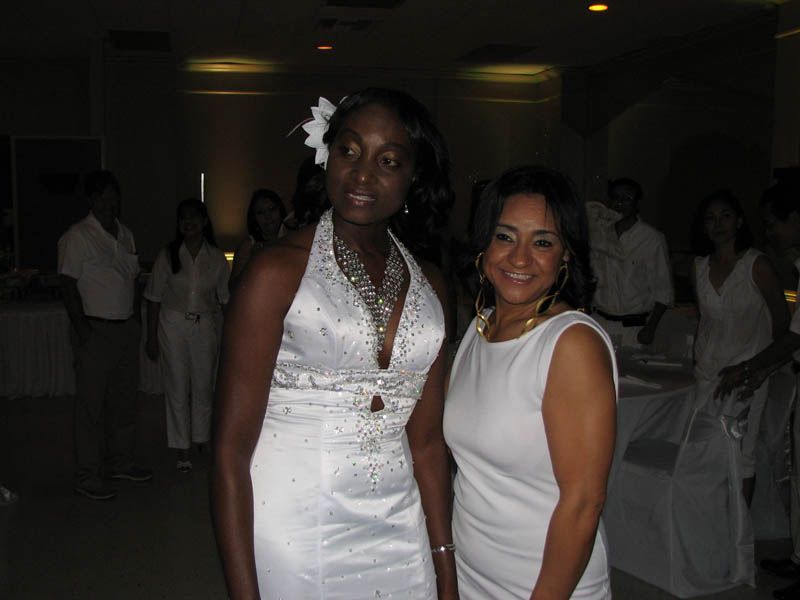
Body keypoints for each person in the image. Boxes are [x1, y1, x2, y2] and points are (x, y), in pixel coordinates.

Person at [211, 88, 457, 599]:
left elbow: (428, 445)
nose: (362, 174)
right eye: (348, 151)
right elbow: (230, 452)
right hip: (295, 527)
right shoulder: (275, 272)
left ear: (414, 177)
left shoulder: (432, 284)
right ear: (327, 157)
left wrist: (443, 563)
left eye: (388, 161)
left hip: (400, 525)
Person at [444, 165, 617, 599]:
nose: (520, 258)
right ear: (483, 245)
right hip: (471, 575)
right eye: (505, 237)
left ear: (566, 256)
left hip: (543, 587)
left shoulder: (571, 343)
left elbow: (583, 504)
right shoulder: (481, 326)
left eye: (542, 242)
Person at [716, 182, 800, 600]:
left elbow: (788, 332)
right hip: (729, 370)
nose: (772, 234)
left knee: (750, 455)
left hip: (752, 369)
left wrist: (753, 367)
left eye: (774, 224)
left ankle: (742, 544)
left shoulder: (760, 264)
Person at [58, 170, 152, 501]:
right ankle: (88, 474)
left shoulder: (125, 234)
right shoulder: (77, 236)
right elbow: (67, 285)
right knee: (90, 407)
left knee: (124, 402)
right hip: (95, 329)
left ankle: (120, 462)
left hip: (125, 328)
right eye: (103, 197)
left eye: (114, 196)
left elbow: (134, 280)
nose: (110, 203)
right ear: (92, 200)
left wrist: (137, 321)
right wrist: (82, 329)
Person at [691, 189, 788, 506]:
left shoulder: (756, 265)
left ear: (740, 222)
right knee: (706, 451)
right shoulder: (700, 266)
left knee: (742, 454)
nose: (718, 224)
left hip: (748, 373)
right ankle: (713, 525)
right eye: (711, 218)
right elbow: (705, 321)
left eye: (726, 216)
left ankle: (739, 536)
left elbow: (783, 325)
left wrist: (762, 369)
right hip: (707, 373)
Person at [144, 198, 229, 472]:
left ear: (204, 221)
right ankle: (181, 447)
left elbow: (225, 299)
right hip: (172, 323)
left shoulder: (216, 257)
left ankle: (202, 438)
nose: (188, 223)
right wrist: (151, 337)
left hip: (204, 324)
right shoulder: (167, 255)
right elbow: (154, 298)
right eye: (184, 218)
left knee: (204, 385)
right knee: (177, 385)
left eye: (194, 217)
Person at [592, 177, 673, 347]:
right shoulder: (598, 235)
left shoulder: (652, 239)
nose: (620, 203)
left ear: (636, 202)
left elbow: (663, 291)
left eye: (626, 198)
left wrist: (651, 328)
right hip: (599, 323)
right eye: (615, 197)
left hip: (633, 329)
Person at [230, 189, 286, 283]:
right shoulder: (248, 245)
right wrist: (252, 262)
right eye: (261, 213)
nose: (268, 216)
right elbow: (232, 287)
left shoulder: (293, 239)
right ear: (254, 218)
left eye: (272, 209)